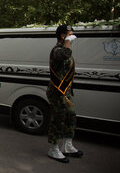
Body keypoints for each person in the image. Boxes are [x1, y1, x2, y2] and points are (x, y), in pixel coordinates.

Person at [46, 25, 83, 163]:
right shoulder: (57, 50)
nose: (73, 36)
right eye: (70, 34)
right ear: (63, 36)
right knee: (58, 120)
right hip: (57, 92)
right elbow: (66, 54)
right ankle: (53, 149)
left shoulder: (65, 49)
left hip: (66, 92)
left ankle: (67, 146)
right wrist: (68, 41)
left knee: (70, 117)